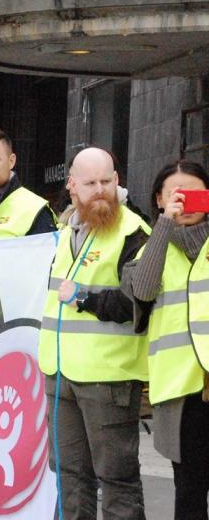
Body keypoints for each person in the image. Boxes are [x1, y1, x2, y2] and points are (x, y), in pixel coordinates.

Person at [39, 147, 150, 520]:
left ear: (118, 180)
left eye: (107, 181)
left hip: (108, 377)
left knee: (116, 480)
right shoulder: (64, 230)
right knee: (70, 476)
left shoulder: (133, 230)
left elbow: (136, 301)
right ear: (72, 185)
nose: (100, 190)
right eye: (90, 183)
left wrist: (85, 298)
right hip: (61, 372)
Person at [123, 160, 209, 520]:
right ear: (159, 199)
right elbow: (141, 291)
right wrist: (163, 227)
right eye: (175, 195)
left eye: (193, 193)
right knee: (188, 489)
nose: (184, 202)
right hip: (179, 390)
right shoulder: (149, 250)